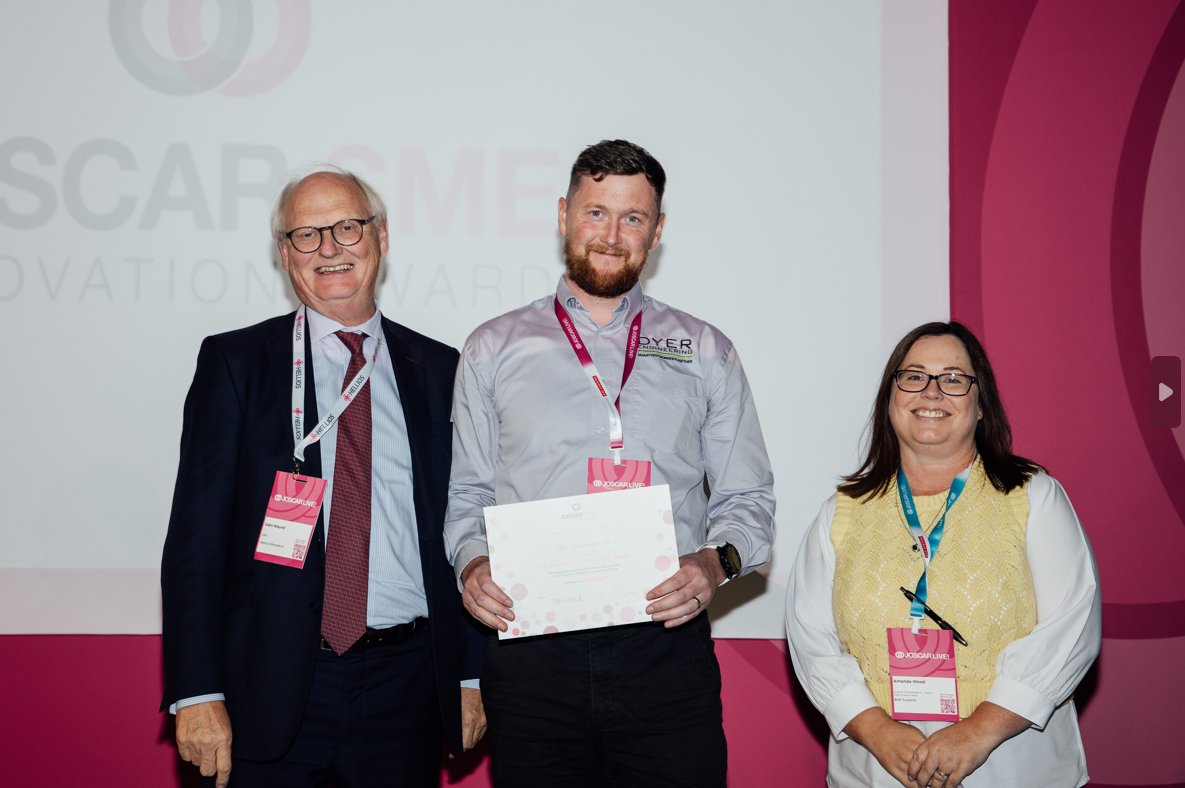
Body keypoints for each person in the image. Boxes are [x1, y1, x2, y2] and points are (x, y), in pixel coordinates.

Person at [443, 139, 777, 787]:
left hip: (664, 649)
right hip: (532, 653)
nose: (611, 234)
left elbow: (750, 500)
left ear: (656, 232)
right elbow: (467, 494)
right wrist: (472, 561)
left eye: (632, 218)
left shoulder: (705, 350)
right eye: (596, 212)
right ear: (564, 214)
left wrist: (715, 563)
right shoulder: (490, 348)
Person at [160, 168, 487, 787]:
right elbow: (194, 546)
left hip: (408, 686)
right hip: (270, 686)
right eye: (307, 235)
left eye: (347, 227)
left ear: (381, 237)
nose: (330, 249)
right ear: (284, 255)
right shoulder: (236, 365)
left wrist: (469, 676)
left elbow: (466, 528)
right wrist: (195, 690)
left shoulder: (442, 370)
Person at [786, 321, 1101, 788]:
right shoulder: (842, 511)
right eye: (913, 376)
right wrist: (876, 729)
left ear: (980, 405)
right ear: (890, 398)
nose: (931, 392)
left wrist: (978, 732)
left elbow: (1072, 626)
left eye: (953, 379)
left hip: (1009, 765)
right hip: (877, 768)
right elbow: (810, 637)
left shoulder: (1033, 496)